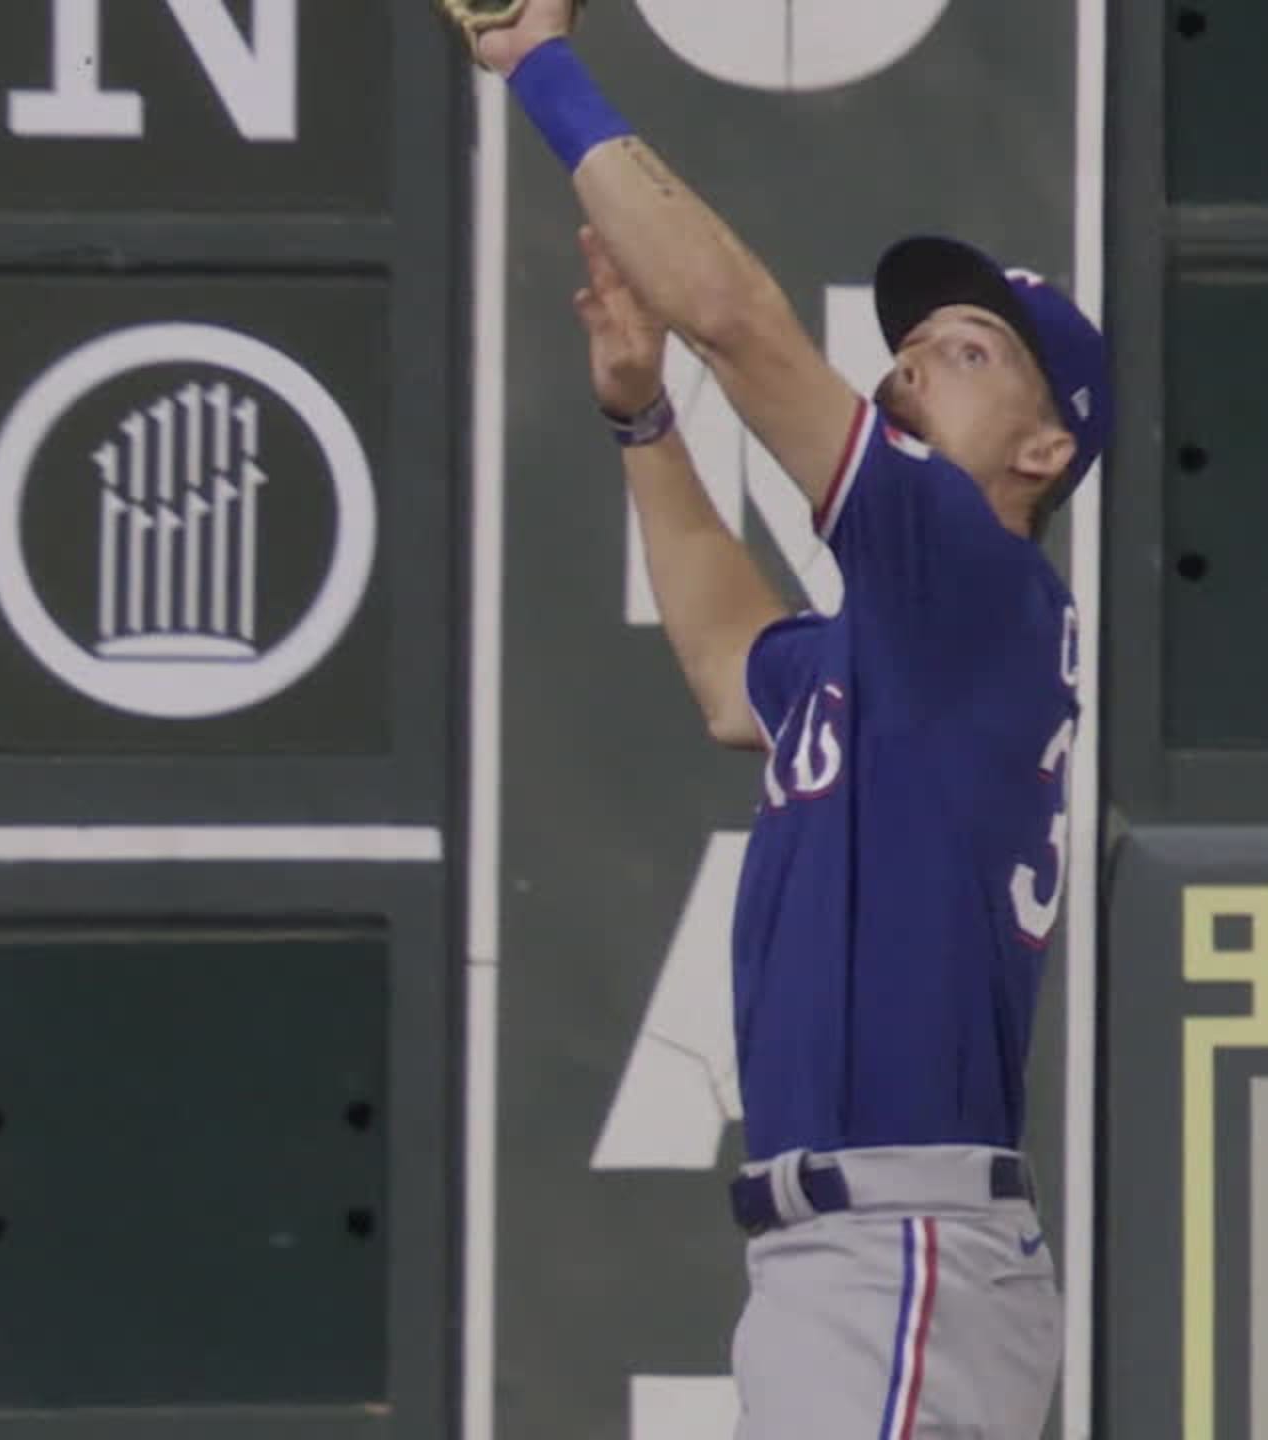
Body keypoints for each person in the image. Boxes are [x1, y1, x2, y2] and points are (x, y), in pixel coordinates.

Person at [475, 4, 1113, 1435]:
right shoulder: (903, 654)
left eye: (962, 352)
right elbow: (726, 670)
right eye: (906, 354)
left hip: (899, 1250)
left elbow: (736, 322)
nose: (901, 371)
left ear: (1046, 445)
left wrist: (542, 71)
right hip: (841, 1260)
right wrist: (644, 426)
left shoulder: (973, 580)